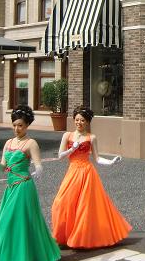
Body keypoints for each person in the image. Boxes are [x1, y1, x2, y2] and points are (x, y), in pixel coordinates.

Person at [0, 105, 61, 261]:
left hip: (24, 186)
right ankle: (8, 258)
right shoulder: (9, 143)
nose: (17, 128)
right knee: (8, 221)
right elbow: (2, 168)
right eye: (15, 125)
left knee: (20, 221)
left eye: (20, 125)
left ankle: (25, 258)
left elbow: (38, 163)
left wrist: (39, 169)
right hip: (11, 187)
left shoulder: (31, 143)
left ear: (27, 126)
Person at [51, 105, 130, 248]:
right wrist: (72, 149)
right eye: (77, 120)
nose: (79, 122)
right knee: (61, 203)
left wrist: (111, 162)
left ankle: (80, 238)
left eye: (82, 120)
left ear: (87, 122)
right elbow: (60, 156)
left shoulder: (91, 137)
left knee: (84, 207)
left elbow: (97, 158)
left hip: (87, 173)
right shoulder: (67, 135)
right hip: (73, 171)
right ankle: (63, 236)